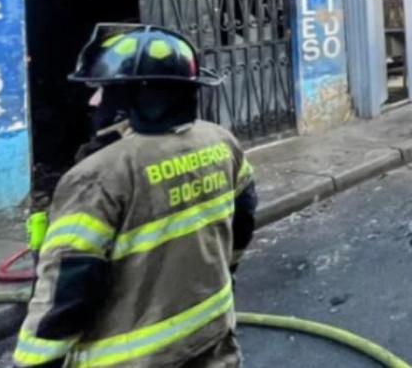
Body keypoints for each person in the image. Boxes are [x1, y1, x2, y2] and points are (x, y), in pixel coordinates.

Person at [13, 24, 258, 367]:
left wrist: (33, 362)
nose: (93, 100)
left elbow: (67, 291)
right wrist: (223, 273)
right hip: (212, 339)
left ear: (135, 98)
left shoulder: (97, 177)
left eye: (102, 90)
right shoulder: (220, 141)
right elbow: (243, 219)